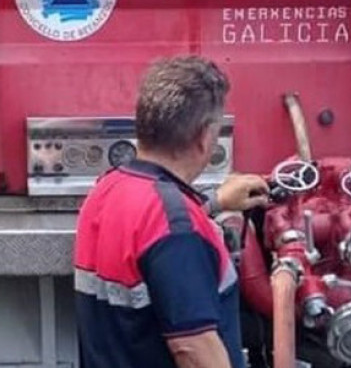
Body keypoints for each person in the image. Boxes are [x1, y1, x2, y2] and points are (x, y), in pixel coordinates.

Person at [74, 56, 268, 368]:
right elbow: (193, 351)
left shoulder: (106, 190)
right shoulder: (176, 227)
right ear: (204, 138)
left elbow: (145, 237)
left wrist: (214, 202)